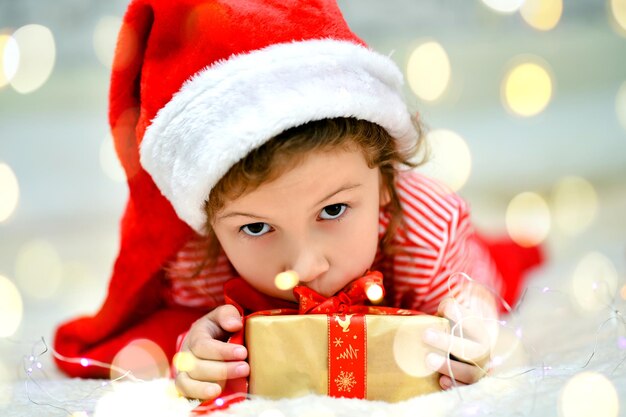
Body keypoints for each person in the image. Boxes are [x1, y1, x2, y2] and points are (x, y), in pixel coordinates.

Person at [53, 0, 542, 402]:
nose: (304, 266)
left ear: (386, 181)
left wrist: (472, 330)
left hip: (453, 258)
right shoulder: (201, 263)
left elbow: (476, 300)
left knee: (502, 265)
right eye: (255, 228)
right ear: (209, 222)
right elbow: (178, 329)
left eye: (332, 210)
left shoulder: (423, 236)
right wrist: (197, 347)